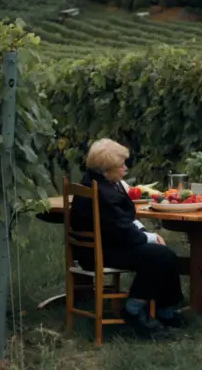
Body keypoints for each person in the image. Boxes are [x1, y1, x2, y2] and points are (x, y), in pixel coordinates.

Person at [68, 138, 187, 338]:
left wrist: (145, 233)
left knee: (162, 253)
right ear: (107, 167)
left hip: (102, 244)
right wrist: (148, 237)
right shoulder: (103, 193)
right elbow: (121, 229)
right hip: (100, 252)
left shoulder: (99, 182)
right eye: (121, 164)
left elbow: (123, 220)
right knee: (161, 256)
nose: (125, 167)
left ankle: (163, 309)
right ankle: (134, 310)